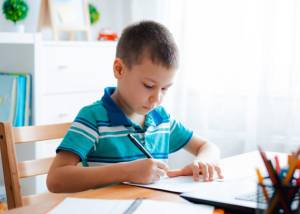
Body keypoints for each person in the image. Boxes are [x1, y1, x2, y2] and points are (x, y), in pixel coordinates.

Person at [47, 20, 223, 193]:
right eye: (148, 86)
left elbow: (208, 147)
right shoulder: (94, 118)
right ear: (119, 69)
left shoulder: (161, 119)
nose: (157, 98)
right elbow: (56, 179)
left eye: (165, 88)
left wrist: (203, 162)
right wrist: (127, 171)